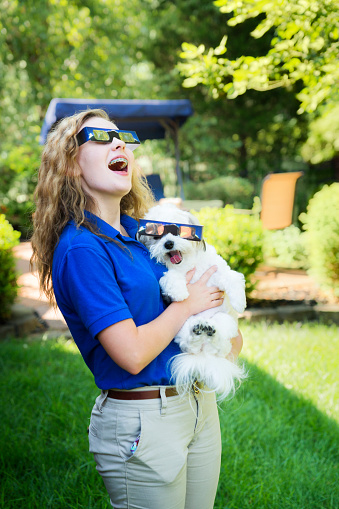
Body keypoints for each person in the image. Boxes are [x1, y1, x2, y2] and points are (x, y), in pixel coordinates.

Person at [31, 108, 243, 509]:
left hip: (197, 404)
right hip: (145, 421)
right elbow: (130, 353)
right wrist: (188, 306)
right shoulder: (81, 248)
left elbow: (201, 287)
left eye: (122, 137)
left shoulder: (145, 234)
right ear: (71, 165)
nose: (118, 143)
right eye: (98, 136)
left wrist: (218, 311)